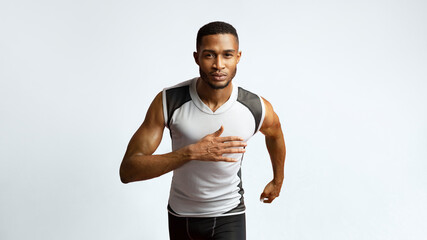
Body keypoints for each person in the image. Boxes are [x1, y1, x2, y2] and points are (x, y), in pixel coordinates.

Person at [119, 21, 286, 240]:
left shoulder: (255, 107)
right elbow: (128, 171)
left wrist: (277, 180)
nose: (219, 65)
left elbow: (275, 134)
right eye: (209, 55)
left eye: (227, 55)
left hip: (229, 214)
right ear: (196, 57)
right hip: (181, 216)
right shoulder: (169, 101)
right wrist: (191, 153)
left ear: (238, 57)